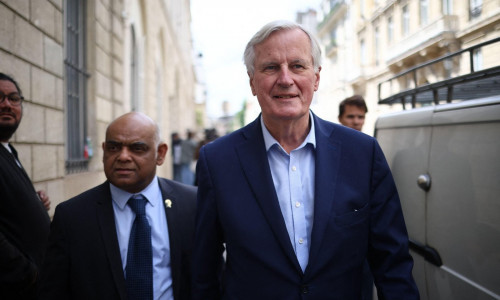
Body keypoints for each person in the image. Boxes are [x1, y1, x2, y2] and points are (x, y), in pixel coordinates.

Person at [191, 20, 419, 299]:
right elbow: (204, 271)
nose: (285, 79)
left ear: (316, 78)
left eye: (298, 66)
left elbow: (392, 263)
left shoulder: (363, 153)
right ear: (252, 81)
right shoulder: (217, 161)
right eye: (271, 67)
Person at [39, 112, 197, 300]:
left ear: (160, 153)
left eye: (137, 148)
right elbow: (53, 290)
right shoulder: (72, 217)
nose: (123, 157)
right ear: (104, 150)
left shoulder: (192, 204)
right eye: (114, 147)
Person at [0, 73, 51, 299]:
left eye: (14, 98)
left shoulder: (8, 151)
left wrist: (33, 201)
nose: (7, 105)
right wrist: (28, 274)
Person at [339, 95, 373, 300]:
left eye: (360, 117)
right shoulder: (327, 147)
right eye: (351, 116)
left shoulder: (370, 148)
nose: (356, 121)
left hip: (364, 242)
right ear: (340, 118)